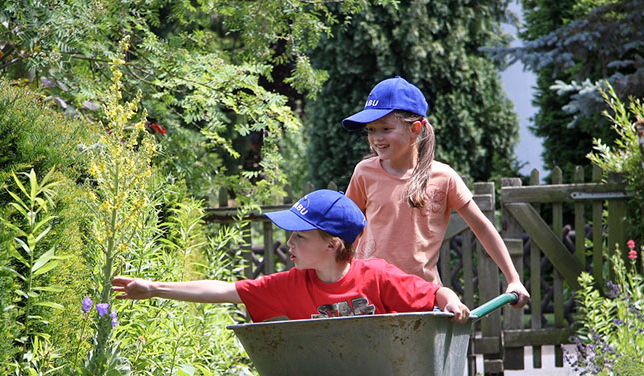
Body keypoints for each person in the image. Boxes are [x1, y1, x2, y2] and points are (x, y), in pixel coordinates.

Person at [112, 189, 470, 323]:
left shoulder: (377, 276)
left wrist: (452, 302)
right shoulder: (291, 284)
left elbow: (436, 294)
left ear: (332, 244)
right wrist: (154, 288)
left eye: (299, 236)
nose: (289, 244)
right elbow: (225, 291)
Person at [342, 76, 531, 307]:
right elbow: (345, 231)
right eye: (371, 130)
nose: (376, 138)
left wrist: (513, 279)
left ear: (415, 129)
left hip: (421, 297)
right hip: (371, 295)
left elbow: (482, 227)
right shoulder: (364, 172)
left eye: (386, 129)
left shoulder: (444, 177)